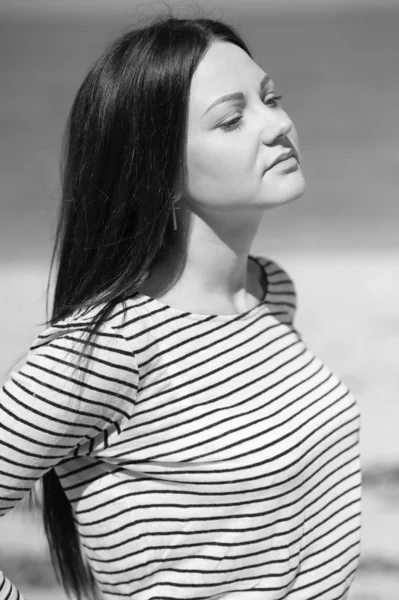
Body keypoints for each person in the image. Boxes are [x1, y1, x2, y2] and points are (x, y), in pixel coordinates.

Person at [0, 14, 361, 600]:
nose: (278, 125)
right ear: (158, 170)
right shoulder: (106, 348)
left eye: (271, 98)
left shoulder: (271, 292)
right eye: (233, 118)